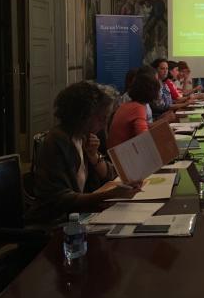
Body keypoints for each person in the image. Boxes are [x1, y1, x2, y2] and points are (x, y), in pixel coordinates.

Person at [27, 82, 141, 224]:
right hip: (55, 223)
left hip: (79, 217)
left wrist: (94, 157)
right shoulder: (57, 141)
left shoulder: (84, 136)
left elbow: (111, 175)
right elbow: (59, 199)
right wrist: (108, 195)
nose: (104, 123)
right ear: (82, 115)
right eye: (101, 117)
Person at [108, 69, 161, 148]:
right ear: (151, 91)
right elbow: (144, 138)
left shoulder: (129, 105)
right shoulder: (138, 108)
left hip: (118, 151)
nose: (159, 94)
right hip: (123, 153)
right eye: (158, 90)